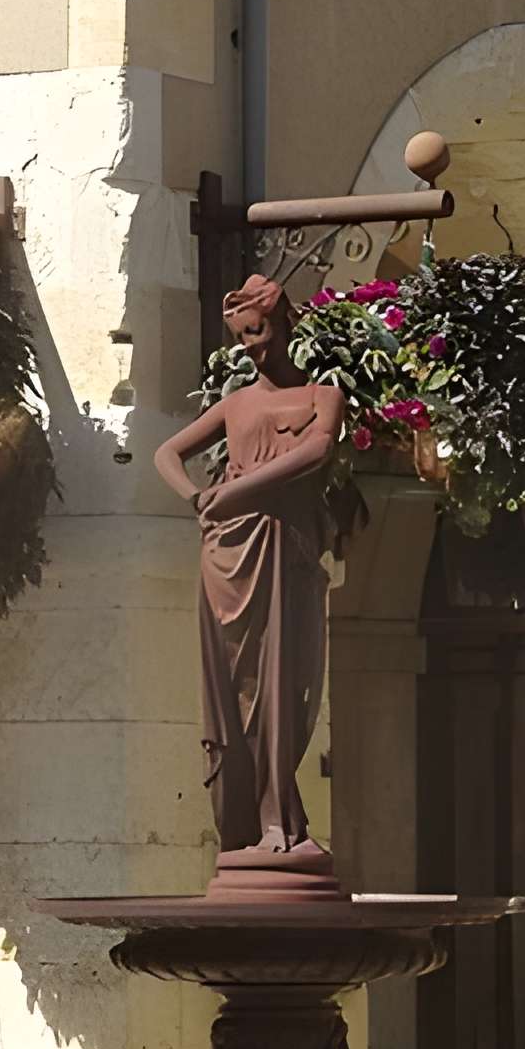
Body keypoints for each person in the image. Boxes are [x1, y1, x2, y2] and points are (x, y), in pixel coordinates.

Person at [155, 275, 345, 864]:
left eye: (260, 333)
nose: (255, 349)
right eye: (244, 340)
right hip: (228, 556)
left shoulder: (323, 395)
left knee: (288, 680)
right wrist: (196, 498)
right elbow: (166, 453)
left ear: (284, 324)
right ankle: (252, 824)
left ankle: (282, 818)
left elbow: (317, 451)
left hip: (285, 548)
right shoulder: (235, 404)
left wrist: (237, 492)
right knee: (237, 691)